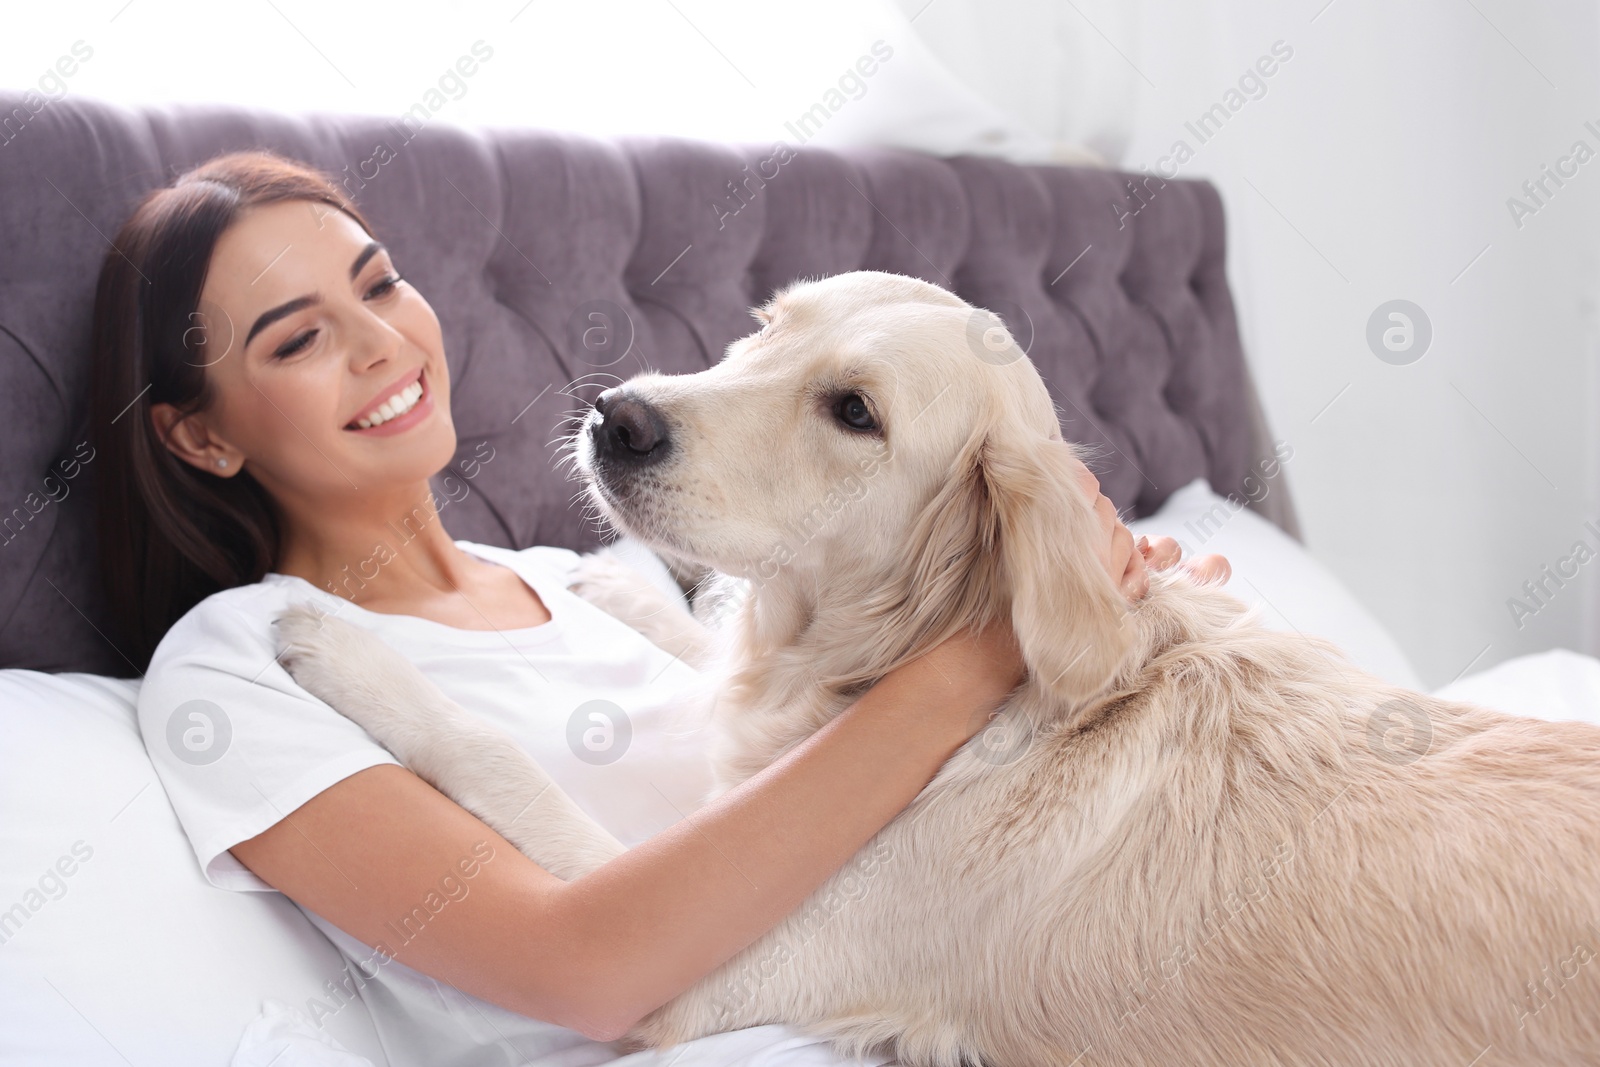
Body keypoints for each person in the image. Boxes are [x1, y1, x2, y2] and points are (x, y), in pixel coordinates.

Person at [93, 151, 1230, 1066]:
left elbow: (857, 769)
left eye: (380, 283)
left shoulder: (594, 582)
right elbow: (589, 971)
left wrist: (1106, 625)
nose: (381, 341)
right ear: (201, 432)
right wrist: (980, 665)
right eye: (298, 337)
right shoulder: (244, 659)